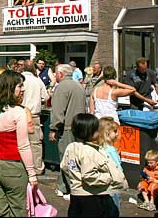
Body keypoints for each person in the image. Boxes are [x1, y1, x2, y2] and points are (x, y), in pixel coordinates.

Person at [0, 70, 38, 216]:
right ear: (11, 88)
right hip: (14, 167)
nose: (23, 89)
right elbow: (23, 145)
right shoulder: (18, 112)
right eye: (20, 86)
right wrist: (32, 173)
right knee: (17, 209)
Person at [60, 113, 124, 217]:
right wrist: (108, 178)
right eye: (97, 130)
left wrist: (74, 176)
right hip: (90, 195)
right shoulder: (88, 151)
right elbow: (89, 175)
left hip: (76, 193)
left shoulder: (71, 147)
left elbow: (64, 166)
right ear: (90, 133)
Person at [49, 63, 86, 200]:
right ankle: (62, 186)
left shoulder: (62, 87)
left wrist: (53, 128)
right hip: (79, 127)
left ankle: (72, 189)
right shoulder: (79, 86)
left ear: (60, 74)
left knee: (66, 159)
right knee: (76, 158)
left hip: (67, 128)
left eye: (55, 73)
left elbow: (58, 111)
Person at [21, 59, 49, 175]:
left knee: (21, 142)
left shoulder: (19, 79)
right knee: (35, 143)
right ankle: (37, 167)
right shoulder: (37, 81)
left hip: (20, 113)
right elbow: (45, 97)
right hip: (34, 114)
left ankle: (23, 166)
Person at [97, 116, 126, 215]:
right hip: (113, 186)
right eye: (115, 131)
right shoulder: (111, 150)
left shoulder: (98, 148)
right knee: (113, 211)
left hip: (102, 186)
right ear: (107, 133)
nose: (117, 134)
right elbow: (118, 168)